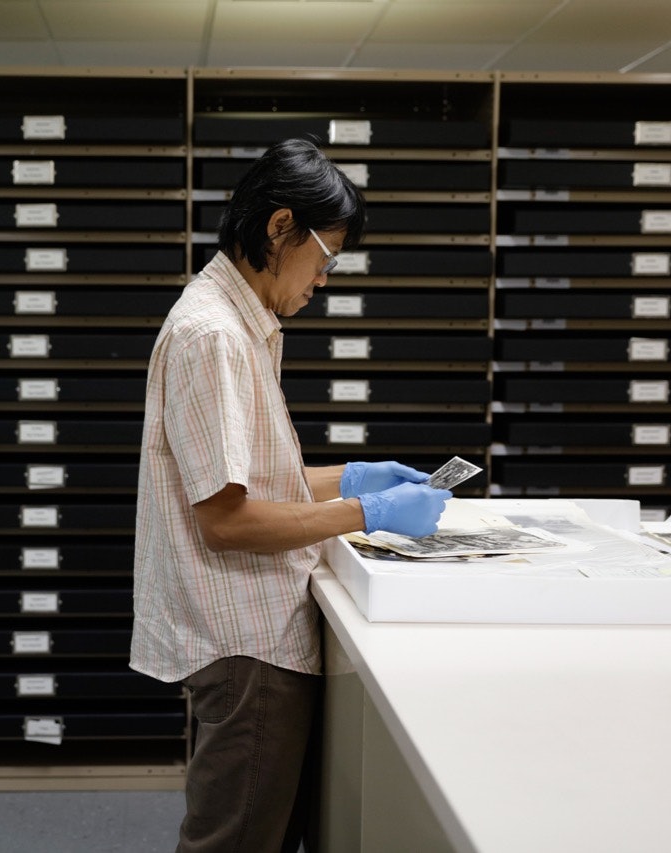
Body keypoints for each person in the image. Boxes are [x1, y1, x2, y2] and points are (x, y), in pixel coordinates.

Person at [130, 138, 453, 853]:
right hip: (248, 642)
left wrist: (355, 476)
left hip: (256, 636)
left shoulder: (240, 324)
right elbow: (226, 519)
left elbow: (246, 478)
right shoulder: (212, 333)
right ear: (281, 229)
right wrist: (365, 514)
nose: (325, 280)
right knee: (236, 838)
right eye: (325, 258)